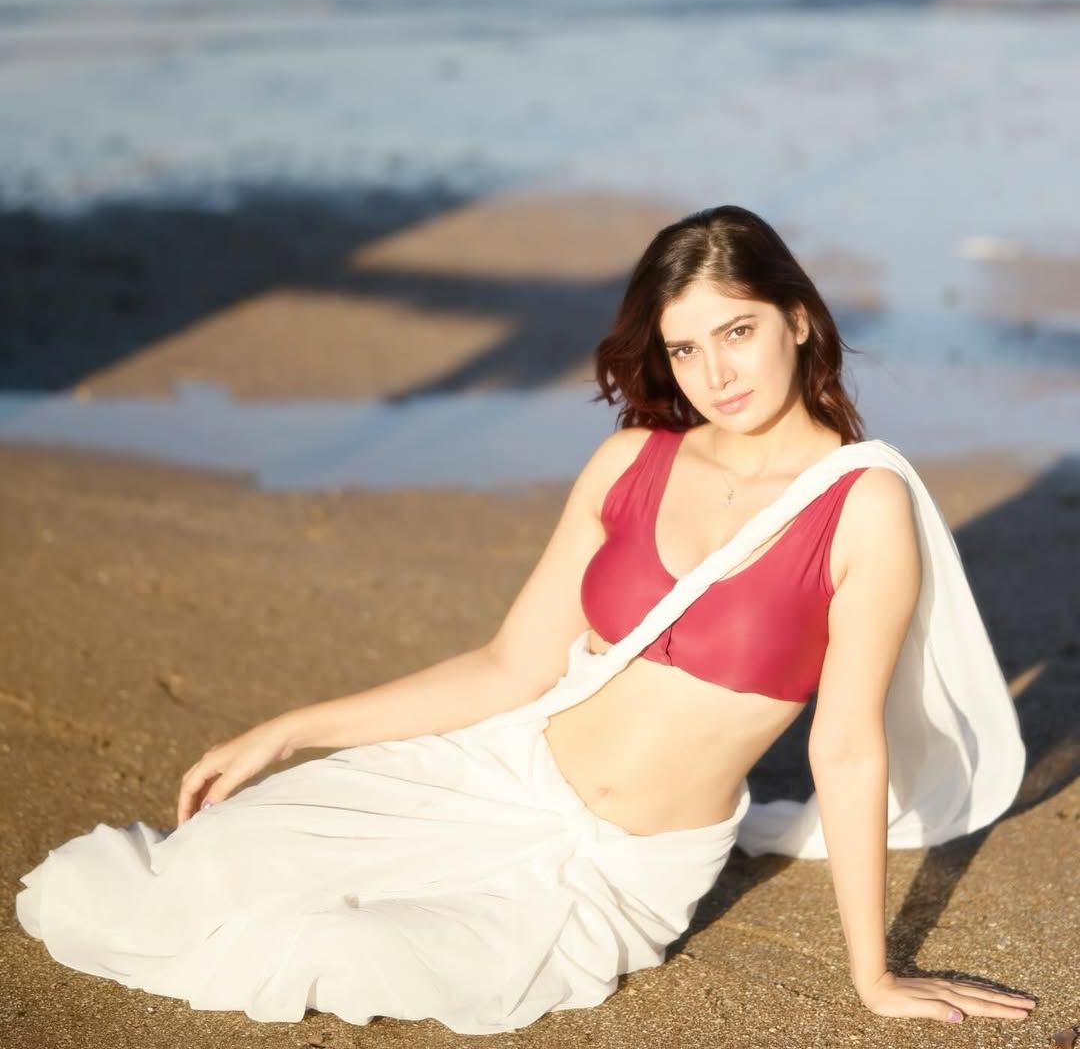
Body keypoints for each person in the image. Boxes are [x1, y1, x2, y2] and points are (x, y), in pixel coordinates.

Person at [16, 204, 1036, 1034]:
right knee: (176, 879)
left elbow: (848, 748)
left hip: (616, 865)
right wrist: (287, 728)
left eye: (738, 332)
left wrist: (875, 974)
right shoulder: (632, 461)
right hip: (498, 768)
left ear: (798, 320)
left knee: (328, 949)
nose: (716, 375)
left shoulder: (862, 505)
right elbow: (508, 665)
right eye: (685, 349)